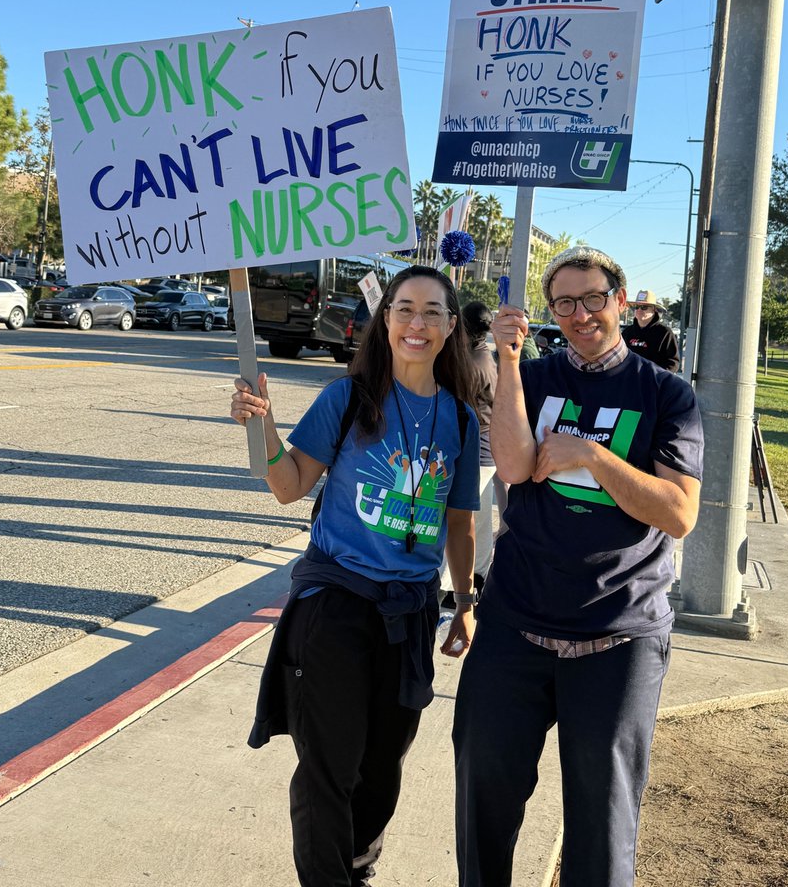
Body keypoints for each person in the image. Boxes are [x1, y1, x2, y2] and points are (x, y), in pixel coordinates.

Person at [452, 246, 703, 887]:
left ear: (620, 301)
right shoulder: (531, 378)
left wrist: (591, 456)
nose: (580, 313)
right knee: (484, 805)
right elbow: (511, 468)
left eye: (593, 298)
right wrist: (509, 364)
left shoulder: (666, 394)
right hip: (515, 623)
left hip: (619, 633)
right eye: (564, 302)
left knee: (603, 824)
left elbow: (677, 513)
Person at [230, 265, 480, 887]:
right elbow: (288, 487)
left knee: (382, 767)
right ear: (384, 319)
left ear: (451, 328)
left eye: (431, 312)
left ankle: (357, 868)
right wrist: (259, 424)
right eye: (403, 309)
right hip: (336, 602)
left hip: (411, 612)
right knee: (328, 767)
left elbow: (460, 525)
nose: (415, 323)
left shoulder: (462, 420)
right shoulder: (346, 399)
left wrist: (465, 601)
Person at [440, 301, 498, 602]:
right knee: (480, 517)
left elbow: (453, 405)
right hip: (486, 451)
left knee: (460, 518)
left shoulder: (473, 363)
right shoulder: (483, 355)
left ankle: (450, 586)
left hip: (478, 451)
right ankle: (479, 576)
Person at [622, 288, 680, 372]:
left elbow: (673, 363)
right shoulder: (627, 332)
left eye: (644, 307)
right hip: (629, 382)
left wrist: (657, 378)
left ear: (654, 310)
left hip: (654, 382)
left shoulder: (665, 333)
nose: (639, 310)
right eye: (637, 306)